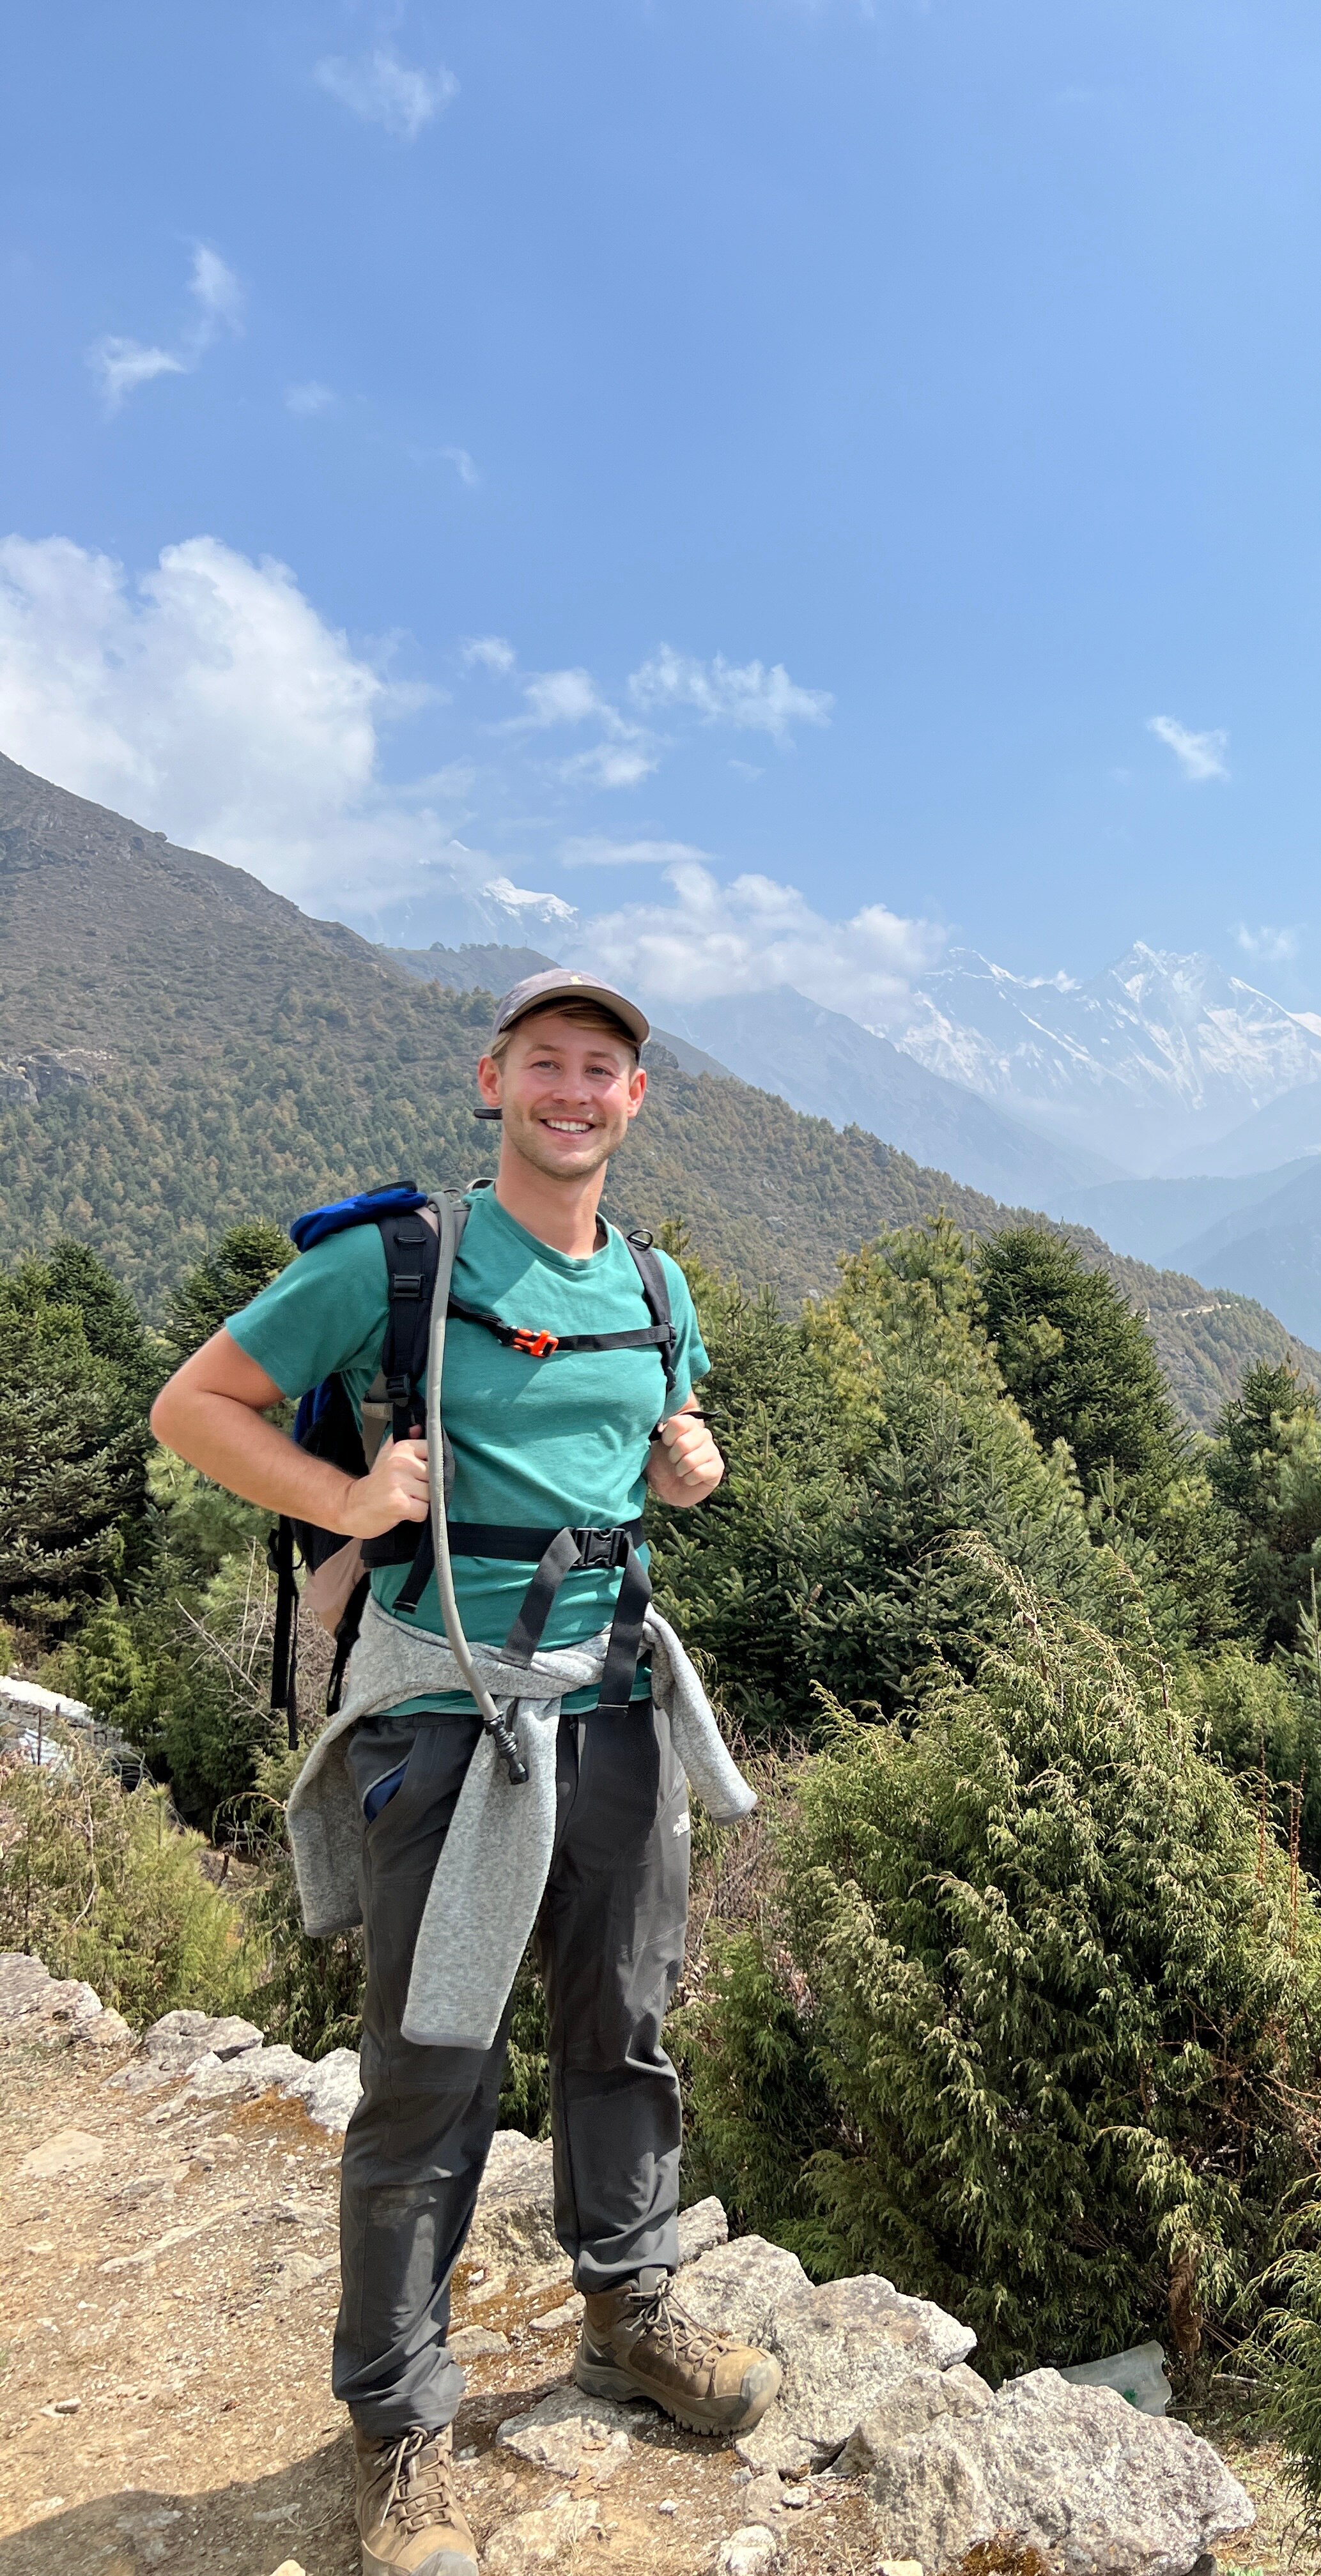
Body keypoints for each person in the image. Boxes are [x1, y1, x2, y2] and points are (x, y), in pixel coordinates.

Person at [151, 969, 778, 2576]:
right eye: (548, 1064)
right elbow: (194, 1407)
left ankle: (628, 2313)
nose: (576, 1092)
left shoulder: (655, 1278)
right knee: (433, 2065)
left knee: (621, 2026)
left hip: (617, 1698)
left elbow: (661, 1431)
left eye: (606, 1071)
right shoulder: (396, 1264)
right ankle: (401, 2425)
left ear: (636, 1104)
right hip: (448, 1713)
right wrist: (349, 1502)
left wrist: (688, 1462)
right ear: (492, 1080)